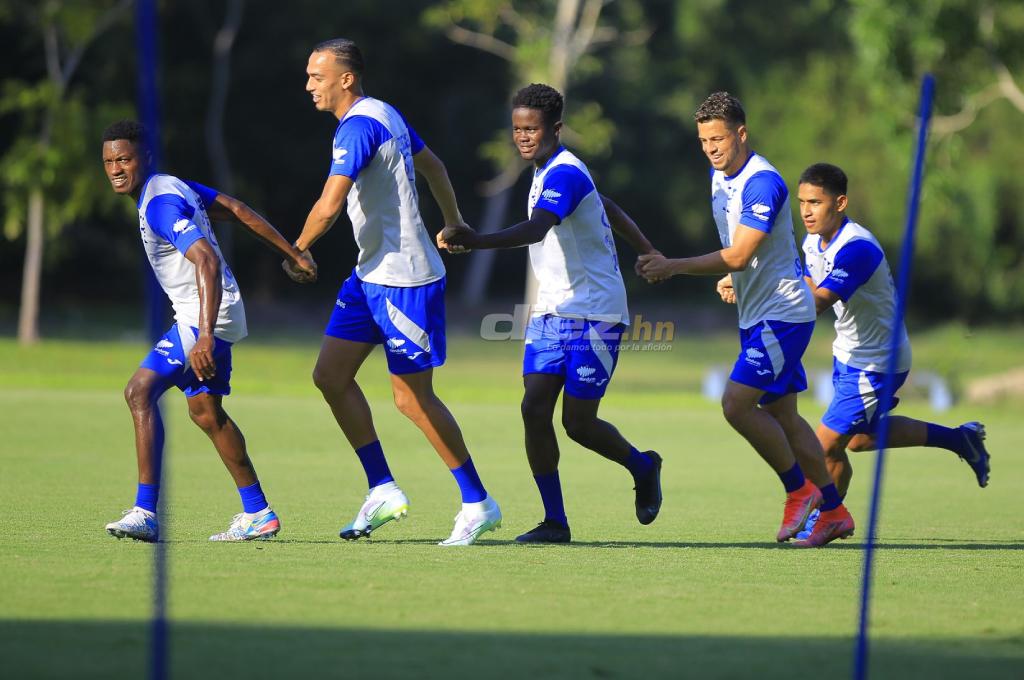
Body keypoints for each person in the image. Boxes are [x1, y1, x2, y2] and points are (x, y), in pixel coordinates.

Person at [292, 38, 500, 546]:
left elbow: (330, 203)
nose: (309, 85)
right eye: (308, 75)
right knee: (330, 375)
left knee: (411, 399)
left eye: (318, 76)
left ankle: (478, 503)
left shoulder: (359, 126)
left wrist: (296, 249)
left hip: (404, 281)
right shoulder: (385, 113)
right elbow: (435, 168)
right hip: (369, 277)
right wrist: (453, 221)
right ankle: (382, 488)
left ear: (346, 79)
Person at [440, 83, 663, 544]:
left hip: (596, 313)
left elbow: (539, 228)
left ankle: (643, 465)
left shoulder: (565, 173)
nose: (523, 137)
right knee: (533, 408)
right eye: (518, 129)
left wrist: (476, 239)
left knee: (578, 424)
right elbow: (609, 206)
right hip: (549, 312)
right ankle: (555, 521)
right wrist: (645, 248)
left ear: (556, 129)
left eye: (532, 130)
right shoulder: (545, 171)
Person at [638, 92, 854, 547]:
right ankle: (834, 510)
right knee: (785, 417)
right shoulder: (720, 177)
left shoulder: (762, 183)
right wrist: (739, 279)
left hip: (783, 313)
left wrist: (672, 265)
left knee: (736, 404)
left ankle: (800, 493)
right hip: (758, 311)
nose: (711, 148)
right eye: (703, 140)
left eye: (718, 138)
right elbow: (748, 252)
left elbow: (737, 253)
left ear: (741, 133)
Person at [100, 119, 317, 542]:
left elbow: (207, 261)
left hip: (206, 317)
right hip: (216, 313)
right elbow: (237, 209)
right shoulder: (172, 186)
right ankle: (259, 513)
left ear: (144, 158)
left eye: (124, 159)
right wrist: (293, 252)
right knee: (206, 413)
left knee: (138, 392)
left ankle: (146, 512)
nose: (115, 169)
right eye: (108, 161)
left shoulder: (160, 204)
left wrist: (203, 334)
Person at [783, 162, 990, 537]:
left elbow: (817, 301)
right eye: (802, 202)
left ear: (841, 202)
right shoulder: (812, 240)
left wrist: (763, 294)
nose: (806, 211)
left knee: (822, 444)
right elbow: (808, 281)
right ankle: (960, 439)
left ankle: (830, 516)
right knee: (858, 440)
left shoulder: (857, 249)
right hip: (847, 353)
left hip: (879, 360)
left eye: (816, 202)